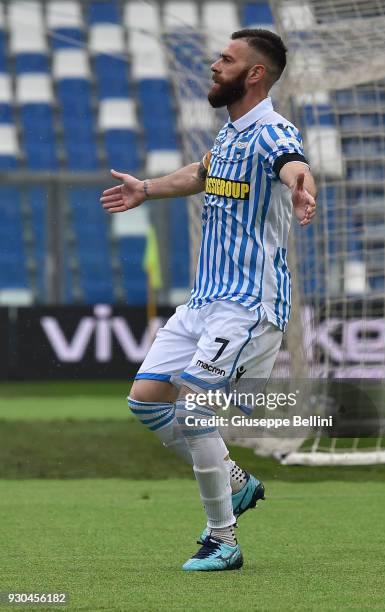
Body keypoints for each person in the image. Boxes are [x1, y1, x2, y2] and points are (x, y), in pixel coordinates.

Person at [100, 28, 317, 572]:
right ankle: (235, 480)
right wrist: (145, 188)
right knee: (147, 401)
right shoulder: (228, 137)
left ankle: (224, 540)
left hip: (249, 305)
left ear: (255, 74)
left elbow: (292, 161)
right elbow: (201, 175)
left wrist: (301, 184)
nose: (215, 66)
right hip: (205, 301)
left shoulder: (271, 133)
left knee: (193, 403)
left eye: (227, 60)